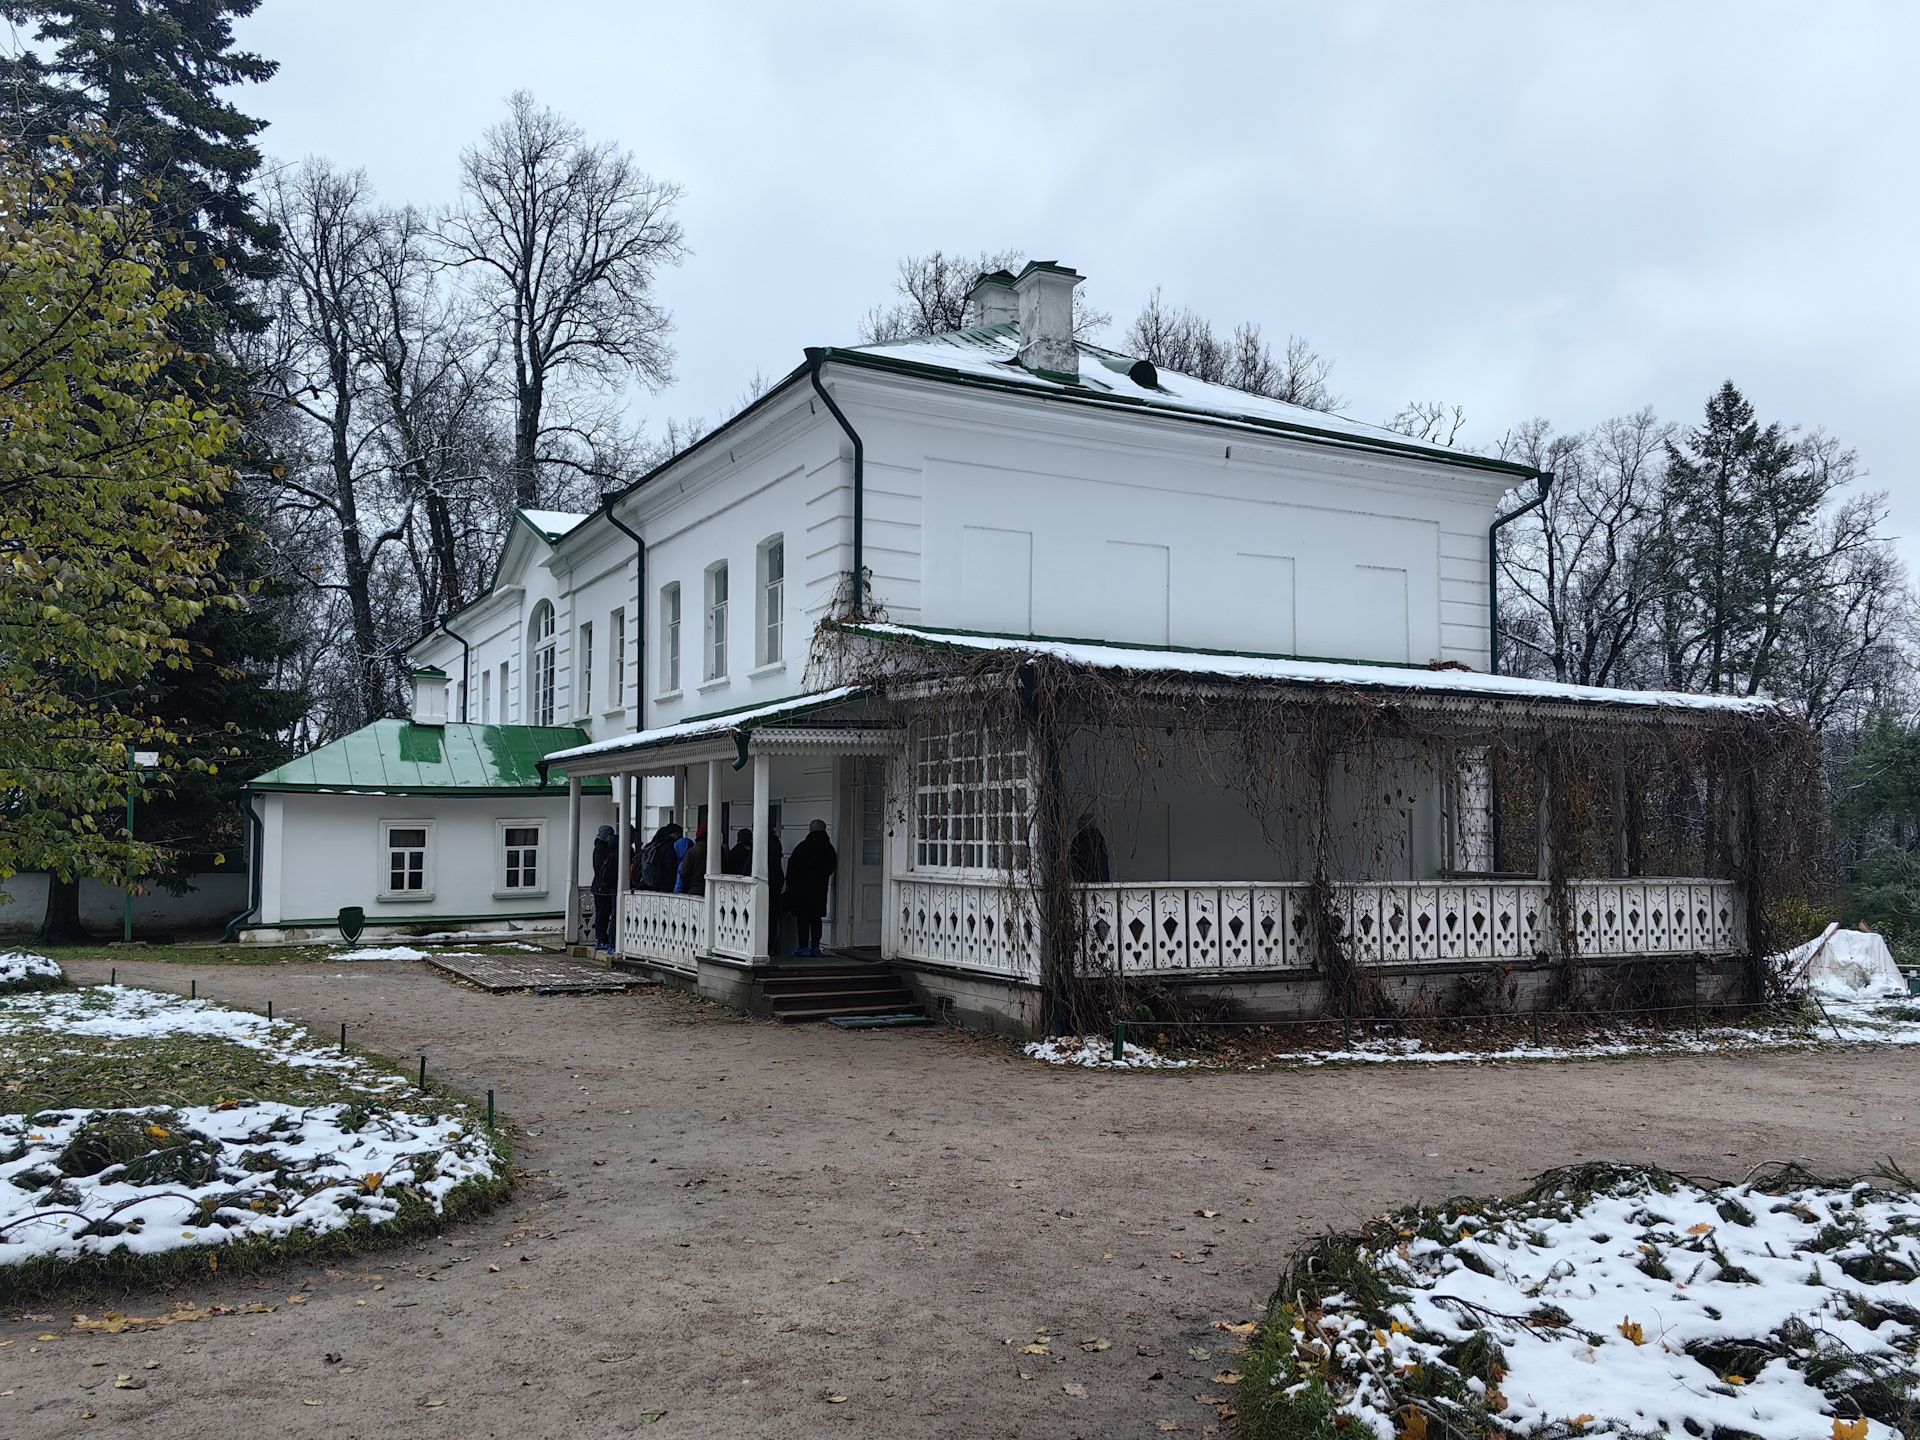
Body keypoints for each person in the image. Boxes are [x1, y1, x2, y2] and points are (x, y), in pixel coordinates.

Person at [783, 818, 837, 956]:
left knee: (803, 919)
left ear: (811, 829)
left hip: (802, 890)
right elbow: (830, 867)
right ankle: (815, 947)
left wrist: (792, 884)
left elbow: (792, 868)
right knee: (816, 919)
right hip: (819, 889)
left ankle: (803, 947)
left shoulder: (803, 847)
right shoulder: (828, 848)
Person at [589, 824, 617, 949]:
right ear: (607, 836)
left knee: (603, 913)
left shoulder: (601, 847)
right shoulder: (601, 848)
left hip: (601, 887)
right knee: (602, 913)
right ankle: (601, 938)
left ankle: (602, 938)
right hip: (602, 888)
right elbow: (599, 868)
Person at [1068, 813, 1111, 884]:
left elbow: (1073, 863)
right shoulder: (1100, 841)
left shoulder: (1079, 841)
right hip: (1105, 886)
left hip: (1085, 886)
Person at [638, 823, 681, 892]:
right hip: (664, 883)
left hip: (649, 882)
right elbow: (671, 866)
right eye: (678, 833)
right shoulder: (669, 847)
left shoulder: (654, 845)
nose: (680, 836)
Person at [677, 825, 708, 897]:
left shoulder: (692, 851)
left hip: (695, 889)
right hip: (715, 890)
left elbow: (684, 873)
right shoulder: (719, 850)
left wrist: (687, 887)